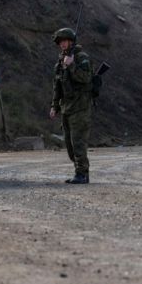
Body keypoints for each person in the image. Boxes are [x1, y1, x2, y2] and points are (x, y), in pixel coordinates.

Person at [50, 27, 93, 184]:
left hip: (80, 108)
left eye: (65, 41)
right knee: (69, 145)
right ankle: (79, 172)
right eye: (60, 42)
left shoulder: (81, 58)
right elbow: (57, 86)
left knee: (78, 142)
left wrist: (72, 65)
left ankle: (82, 174)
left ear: (71, 41)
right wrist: (54, 106)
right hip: (66, 108)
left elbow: (86, 78)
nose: (62, 44)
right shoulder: (60, 63)